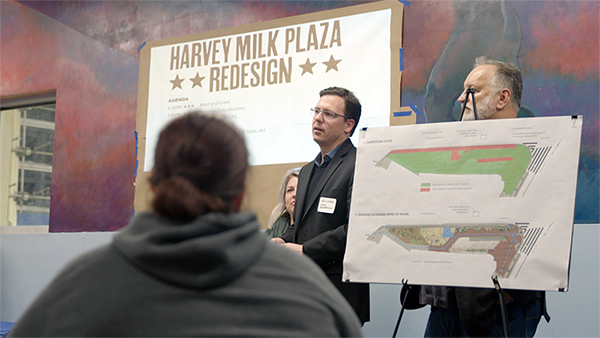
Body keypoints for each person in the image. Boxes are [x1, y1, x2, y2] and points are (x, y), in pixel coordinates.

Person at [9, 112, 365, 338]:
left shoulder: (80, 285)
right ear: (240, 193)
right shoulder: (307, 292)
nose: (317, 117)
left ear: (153, 188)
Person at [402, 57, 550, 338]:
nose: (460, 99)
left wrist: (508, 294)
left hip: (498, 309)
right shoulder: (455, 150)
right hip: (443, 303)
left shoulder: (538, 149)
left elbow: (542, 227)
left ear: (502, 98)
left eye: (473, 91)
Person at [272, 87, 370, 325]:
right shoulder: (305, 172)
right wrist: (283, 240)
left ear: (348, 125)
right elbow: (301, 225)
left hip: (339, 292)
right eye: (316, 111)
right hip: (305, 291)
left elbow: (358, 230)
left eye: (328, 114)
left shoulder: (362, 163)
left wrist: (305, 250)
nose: (317, 118)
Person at [264, 168, 299, 239]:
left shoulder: (317, 229)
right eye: (290, 190)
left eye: (300, 189)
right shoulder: (276, 226)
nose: (294, 194)